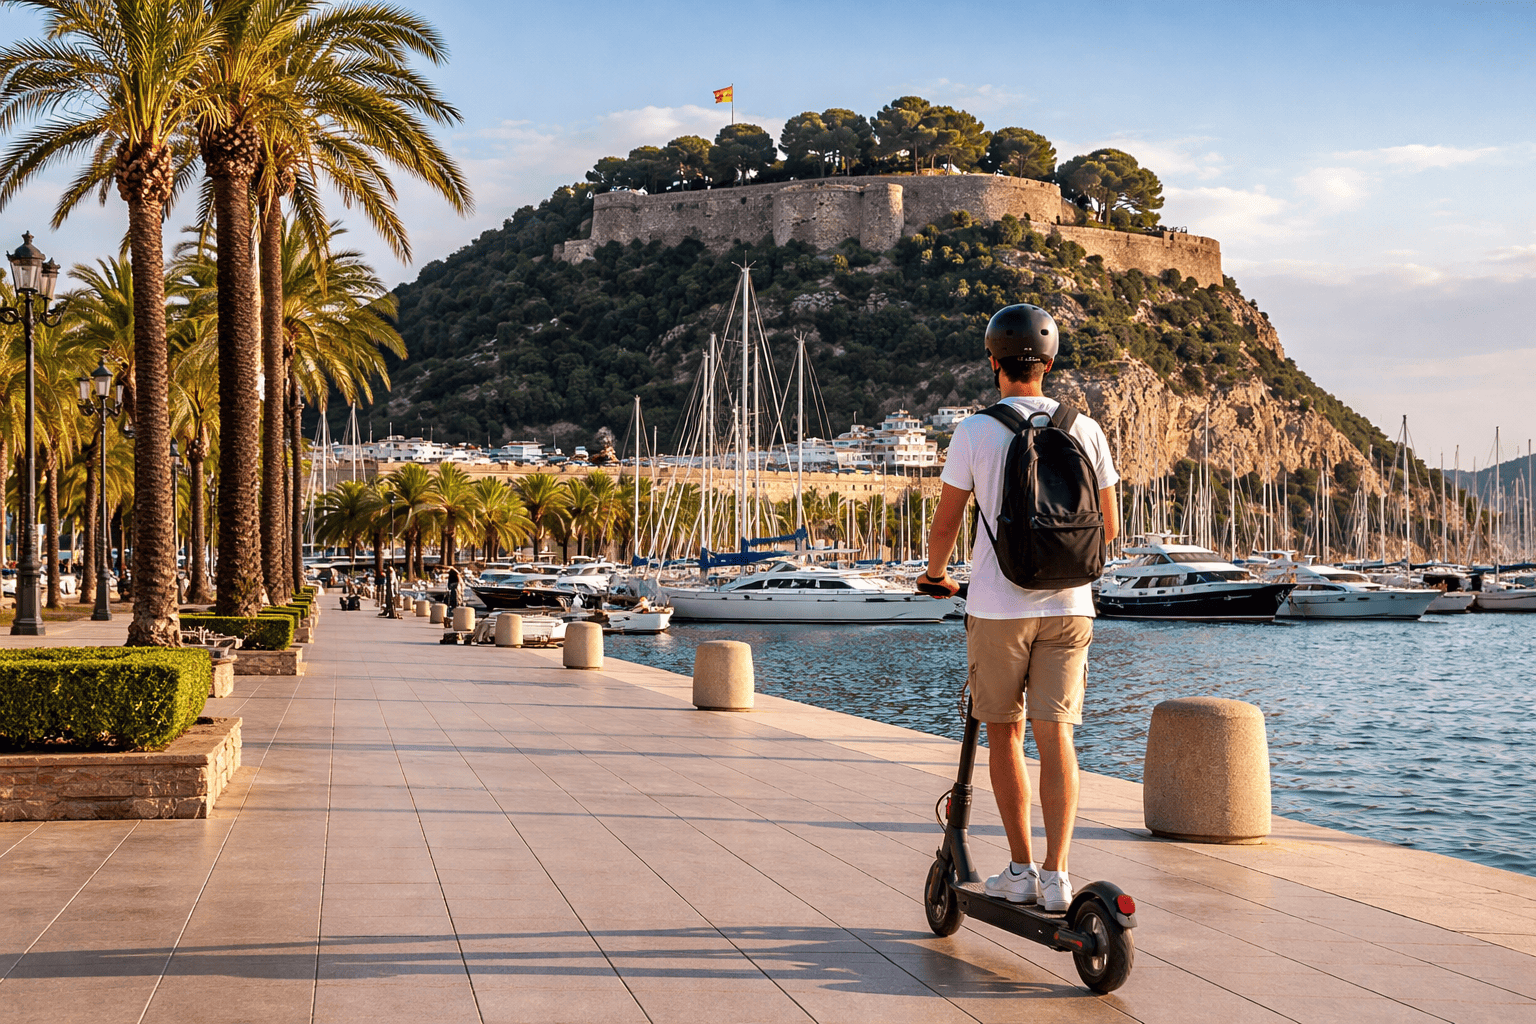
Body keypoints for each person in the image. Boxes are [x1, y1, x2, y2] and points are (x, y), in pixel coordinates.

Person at [920, 303, 1119, 914]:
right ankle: (1059, 876)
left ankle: (1021, 868)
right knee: (1057, 735)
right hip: (1071, 606)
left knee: (1003, 732)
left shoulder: (976, 431)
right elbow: (1109, 528)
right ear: (1050, 362)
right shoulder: (1085, 429)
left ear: (993, 361)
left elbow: (948, 520)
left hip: (999, 606)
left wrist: (935, 576)